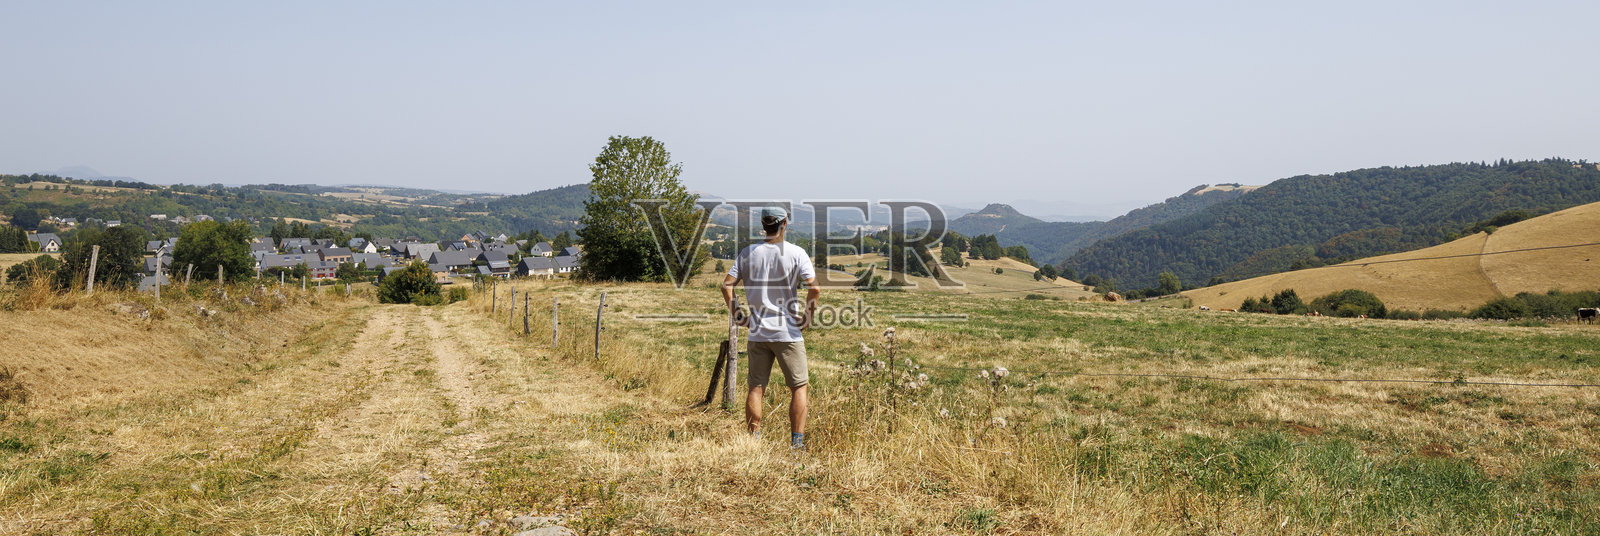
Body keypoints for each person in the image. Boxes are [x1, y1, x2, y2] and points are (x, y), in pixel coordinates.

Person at [721, 206, 819, 450]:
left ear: (764, 225)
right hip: (788, 332)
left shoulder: (747, 253)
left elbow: (726, 286)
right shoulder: (797, 253)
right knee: (799, 387)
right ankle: (796, 445)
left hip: (757, 331)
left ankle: (753, 442)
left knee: (756, 387)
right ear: (785, 223)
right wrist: (807, 317)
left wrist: (739, 315)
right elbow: (814, 288)